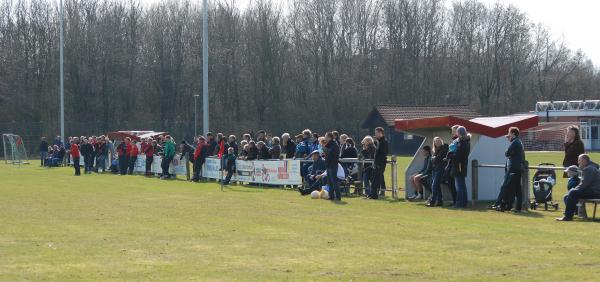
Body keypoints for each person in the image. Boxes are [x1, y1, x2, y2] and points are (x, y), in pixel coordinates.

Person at [557, 154, 600, 221]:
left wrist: (574, 189)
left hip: (595, 192)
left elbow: (584, 184)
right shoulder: (591, 167)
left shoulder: (588, 169)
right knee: (571, 193)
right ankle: (573, 214)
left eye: (579, 160)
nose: (578, 162)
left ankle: (568, 217)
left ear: (584, 161)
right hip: (595, 192)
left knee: (573, 192)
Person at [496, 127, 525, 212]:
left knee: (508, 187)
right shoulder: (518, 142)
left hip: (513, 167)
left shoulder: (515, 142)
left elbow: (507, 153)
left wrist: (508, 152)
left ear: (513, 133)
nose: (508, 135)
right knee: (517, 188)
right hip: (518, 167)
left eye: (509, 133)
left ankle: (505, 206)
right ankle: (518, 207)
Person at [449, 126, 471, 208]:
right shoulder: (466, 141)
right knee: (462, 185)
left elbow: (458, 156)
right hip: (462, 165)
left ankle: (459, 204)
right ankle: (464, 203)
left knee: (459, 186)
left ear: (459, 133)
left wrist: (450, 154)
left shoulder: (462, 143)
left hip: (459, 166)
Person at [427, 137, 449, 207]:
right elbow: (432, 160)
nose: (438, 142)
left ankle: (432, 201)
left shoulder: (445, 147)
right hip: (434, 170)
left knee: (434, 185)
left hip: (440, 169)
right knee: (437, 186)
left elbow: (438, 158)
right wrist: (434, 158)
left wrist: (434, 158)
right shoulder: (435, 150)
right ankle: (440, 201)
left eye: (439, 141)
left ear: (441, 141)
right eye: (436, 142)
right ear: (434, 143)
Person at [368, 127, 388, 200]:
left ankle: (374, 195)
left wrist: (378, 164)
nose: (375, 134)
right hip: (377, 164)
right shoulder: (379, 141)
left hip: (380, 164)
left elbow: (383, 154)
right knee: (373, 180)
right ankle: (371, 195)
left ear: (380, 133)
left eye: (376, 133)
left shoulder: (384, 142)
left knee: (376, 180)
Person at [444, 125, 460, 206]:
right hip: (450, 164)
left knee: (455, 184)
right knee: (450, 184)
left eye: (453, 130)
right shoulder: (454, 140)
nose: (452, 132)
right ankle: (454, 201)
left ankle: (457, 201)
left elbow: (455, 153)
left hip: (454, 165)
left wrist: (449, 155)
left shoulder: (458, 140)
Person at [323, 132, 341, 201]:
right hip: (328, 165)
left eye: (326, 137)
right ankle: (331, 196)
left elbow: (330, 153)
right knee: (330, 182)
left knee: (334, 182)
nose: (324, 138)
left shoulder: (334, 145)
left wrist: (324, 148)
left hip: (333, 165)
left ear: (329, 138)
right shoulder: (328, 145)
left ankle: (338, 197)